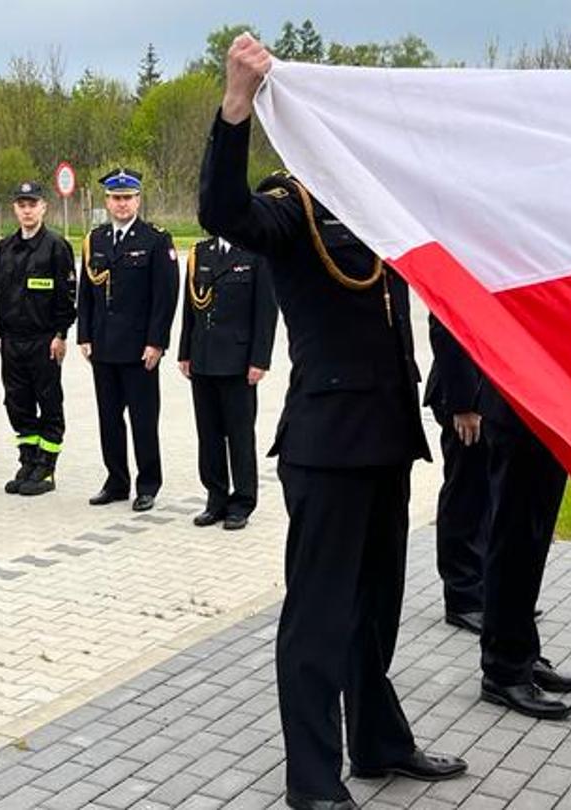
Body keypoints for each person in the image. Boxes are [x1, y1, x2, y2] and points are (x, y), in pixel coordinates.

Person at [201, 35, 466, 810]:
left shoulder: (380, 203)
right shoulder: (293, 205)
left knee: (377, 610)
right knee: (317, 619)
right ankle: (311, 780)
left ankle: (378, 744)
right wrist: (235, 109)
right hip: (326, 445)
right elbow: (223, 209)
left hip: (386, 438)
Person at [428, 326, 571, 720]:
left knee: (531, 541)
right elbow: (450, 321)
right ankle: (503, 668)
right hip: (512, 404)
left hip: (548, 405)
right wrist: (463, 400)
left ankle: (521, 651)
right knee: (511, 540)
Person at [79, 168, 178, 513]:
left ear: (138, 199)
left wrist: (157, 342)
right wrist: (85, 335)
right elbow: (87, 294)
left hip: (139, 349)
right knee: (109, 418)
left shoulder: (155, 239)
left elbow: (165, 298)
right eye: (116, 198)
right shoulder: (97, 239)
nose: (122, 204)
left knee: (143, 419)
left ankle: (148, 484)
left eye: (128, 198)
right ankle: (116, 481)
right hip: (104, 346)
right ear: (107, 201)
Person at [178, 235, 278, 531]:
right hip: (203, 357)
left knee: (239, 435)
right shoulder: (200, 252)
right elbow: (189, 309)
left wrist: (260, 360)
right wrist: (185, 351)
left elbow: (266, 310)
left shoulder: (256, 252)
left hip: (238, 360)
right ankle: (216, 497)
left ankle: (243, 501)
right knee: (208, 434)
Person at [0, 182, 76, 496]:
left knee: (49, 403)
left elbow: (67, 296)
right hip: (12, 341)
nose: (27, 210)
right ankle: (28, 461)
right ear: (15, 209)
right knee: (17, 403)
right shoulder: (5, 248)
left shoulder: (56, 246)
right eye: (21, 204)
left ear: (43, 208)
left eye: (33, 204)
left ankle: (47, 468)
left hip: (44, 341)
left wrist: (60, 334)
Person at [424, 315, 489, 633]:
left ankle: (488, 591)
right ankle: (463, 598)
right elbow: (446, 328)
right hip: (464, 398)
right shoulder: (460, 263)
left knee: (488, 495)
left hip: (491, 393)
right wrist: (464, 403)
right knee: (466, 493)